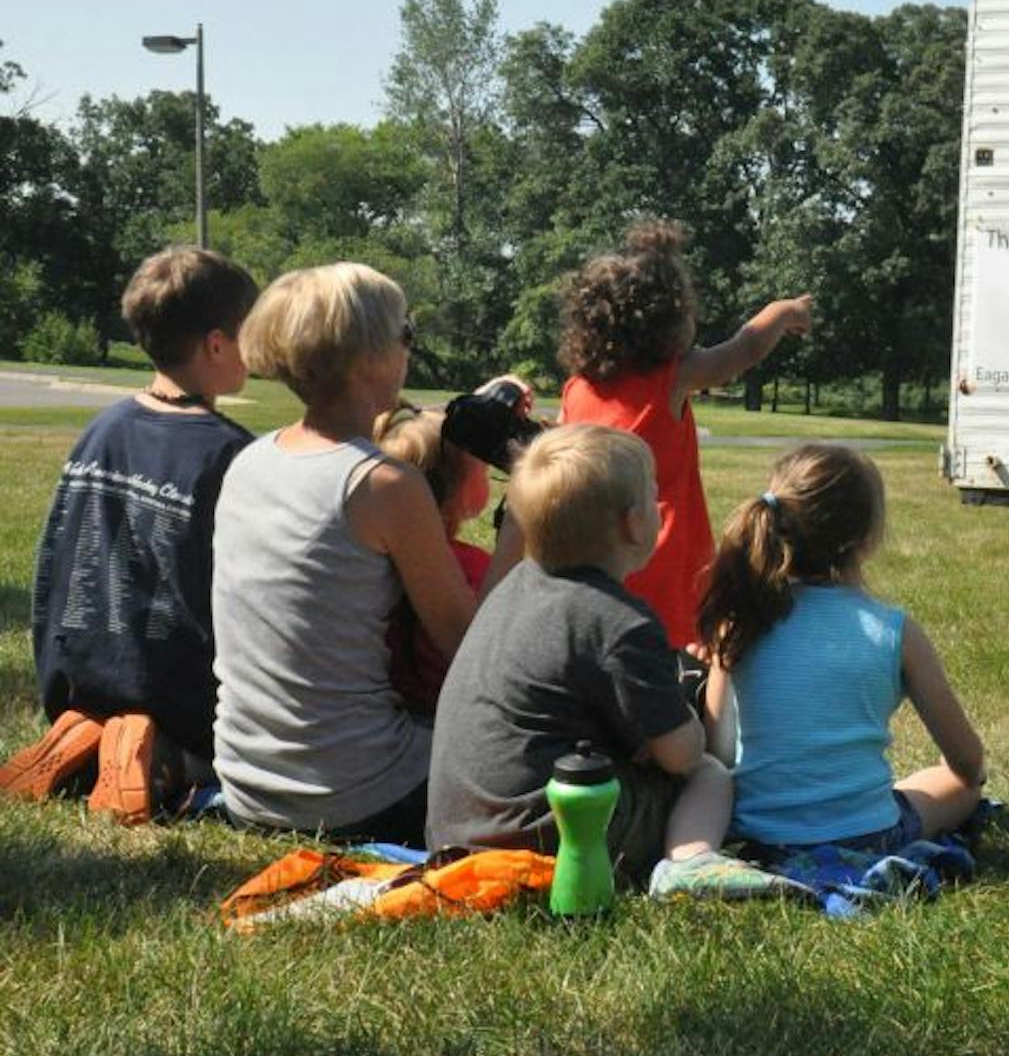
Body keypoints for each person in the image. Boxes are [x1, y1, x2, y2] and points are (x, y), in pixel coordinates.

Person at [211, 263, 518, 845]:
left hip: (247, 784)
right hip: (350, 795)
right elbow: (473, 649)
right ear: (369, 359)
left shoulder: (249, 461)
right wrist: (522, 516)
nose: (410, 350)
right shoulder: (382, 483)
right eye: (407, 336)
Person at [426, 425, 747, 896]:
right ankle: (691, 862)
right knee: (711, 775)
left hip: (456, 833)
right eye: (654, 497)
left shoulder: (512, 589)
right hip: (550, 843)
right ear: (634, 523)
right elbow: (680, 756)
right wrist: (696, 728)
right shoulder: (620, 622)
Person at [1, 247, 258, 823]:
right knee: (203, 762)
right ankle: (158, 755)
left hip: (77, 673)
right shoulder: (229, 452)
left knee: (107, 712)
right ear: (217, 345)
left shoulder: (103, 428)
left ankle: (87, 729)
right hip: (174, 695)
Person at [701, 444, 986, 856]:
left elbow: (719, 752)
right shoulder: (894, 631)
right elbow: (966, 760)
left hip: (756, 837)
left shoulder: (741, 621)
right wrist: (971, 776)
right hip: (867, 837)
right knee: (959, 785)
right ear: (867, 539)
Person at [556, 222, 812, 650]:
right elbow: (744, 350)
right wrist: (783, 311)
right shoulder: (671, 380)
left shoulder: (576, 389)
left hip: (594, 558)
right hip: (662, 560)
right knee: (675, 665)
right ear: (666, 322)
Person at [372, 402, 496, 716]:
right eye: (481, 468)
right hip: (452, 717)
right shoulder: (472, 568)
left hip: (395, 708)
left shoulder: (372, 558)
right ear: (456, 490)